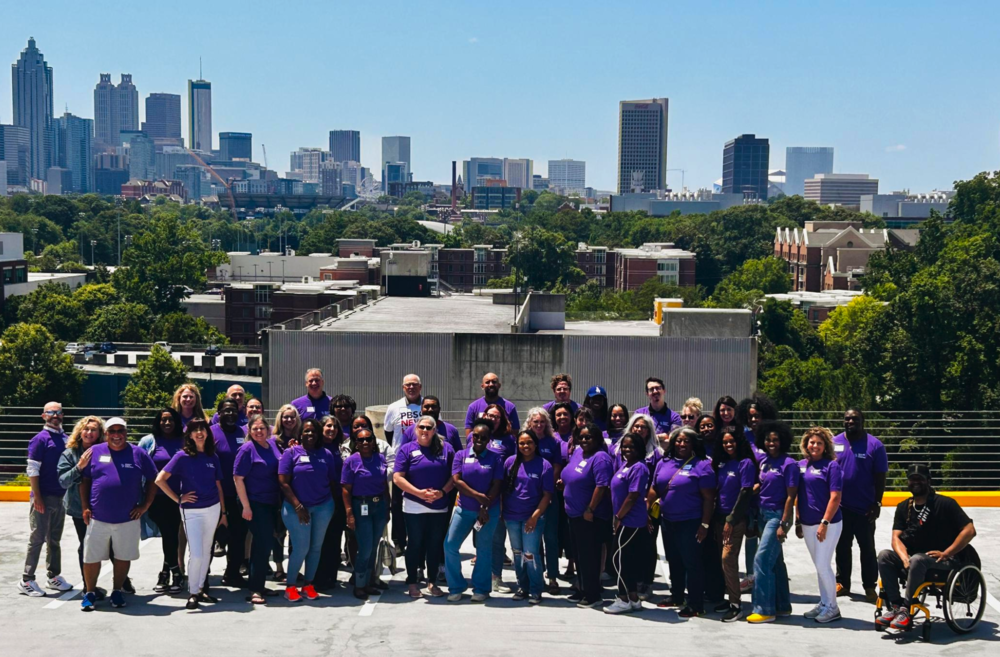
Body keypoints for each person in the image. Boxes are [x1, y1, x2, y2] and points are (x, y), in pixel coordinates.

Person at [875, 464, 977, 632]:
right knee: (884, 556)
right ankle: (896, 606)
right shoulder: (904, 507)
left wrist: (947, 553)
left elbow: (969, 530)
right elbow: (896, 538)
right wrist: (903, 558)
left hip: (943, 561)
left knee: (918, 559)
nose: (915, 482)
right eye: (912, 479)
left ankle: (907, 609)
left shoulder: (945, 504)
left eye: (920, 479)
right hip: (914, 561)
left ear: (928, 481)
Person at [79, 417, 158, 611]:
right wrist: (85, 506)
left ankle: (117, 591)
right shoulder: (95, 452)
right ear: (106, 434)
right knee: (91, 557)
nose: (116, 435)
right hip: (98, 517)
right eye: (112, 431)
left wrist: (145, 505)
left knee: (123, 556)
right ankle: (89, 592)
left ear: (126, 433)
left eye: (120, 431)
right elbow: (85, 480)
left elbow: (153, 479)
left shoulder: (138, 453)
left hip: (128, 518)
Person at [155, 418, 226, 610]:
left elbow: (219, 486)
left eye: (203, 429)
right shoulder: (182, 456)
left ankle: (200, 588)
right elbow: (160, 479)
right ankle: (193, 592)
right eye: (195, 430)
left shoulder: (213, 457)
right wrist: (178, 498)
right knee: (196, 553)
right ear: (190, 435)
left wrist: (224, 512)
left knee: (206, 551)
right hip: (192, 511)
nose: (200, 433)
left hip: (213, 508)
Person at [648, 426, 716, 618]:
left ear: (694, 443)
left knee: (692, 563)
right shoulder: (664, 462)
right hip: (668, 520)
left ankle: (696, 604)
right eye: (678, 440)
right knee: (674, 560)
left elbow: (709, 498)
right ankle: (677, 596)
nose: (682, 443)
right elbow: (655, 487)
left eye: (686, 441)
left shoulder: (702, 465)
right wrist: (647, 507)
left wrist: (704, 525)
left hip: (691, 522)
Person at [277, 418, 341, 602]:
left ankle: (308, 584)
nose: (310, 434)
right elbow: (283, 483)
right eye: (306, 431)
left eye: (314, 431)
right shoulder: (290, 453)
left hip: (323, 506)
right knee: (301, 547)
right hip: (296, 508)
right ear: (300, 433)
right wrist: (298, 506)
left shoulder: (326, 454)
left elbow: (331, 480)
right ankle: (290, 586)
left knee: (315, 548)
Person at [393, 416, 456, 598]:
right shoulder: (407, 449)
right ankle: (413, 583)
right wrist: (419, 493)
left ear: (435, 430)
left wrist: (442, 492)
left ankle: (432, 582)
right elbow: (398, 477)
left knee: (435, 545)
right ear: (416, 429)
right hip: (414, 506)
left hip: (439, 506)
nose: (425, 430)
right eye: (421, 427)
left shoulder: (447, 449)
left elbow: (455, 476)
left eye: (429, 427)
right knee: (414, 544)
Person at [444, 418, 504, 602]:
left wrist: (484, 506)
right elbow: (457, 480)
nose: (478, 439)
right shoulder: (461, 455)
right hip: (464, 509)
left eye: (483, 437)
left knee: (484, 549)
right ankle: (456, 586)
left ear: (488, 439)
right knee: (450, 545)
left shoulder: (496, 458)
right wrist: (478, 496)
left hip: (488, 512)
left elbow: (497, 483)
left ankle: (481, 588)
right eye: (475, 436)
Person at [18, 401, 73, 597]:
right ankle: (27, 579)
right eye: (51, 412)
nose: (55, 415)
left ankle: (54, 576)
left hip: (60, 497)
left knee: (54, 540)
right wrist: (37, 497)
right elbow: (32, 469)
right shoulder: (39, 439)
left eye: (58, 412)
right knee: (37, 539)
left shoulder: (67, 438)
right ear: (44, 416)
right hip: (43, 497)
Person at [747, 420, 799, 624]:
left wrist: (784, 524)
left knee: (761, 560)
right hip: (762, 514)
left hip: (777, 516)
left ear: (783, 441)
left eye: (776, 439)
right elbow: (761, 484)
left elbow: (790, 497)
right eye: (768, 439)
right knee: (775, 562)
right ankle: (782, 606)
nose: (771, 443)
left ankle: (765, 609)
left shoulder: (790, 464)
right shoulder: (764, 461)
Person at [833, 408, 888, 602]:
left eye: (854, 418)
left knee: (867, 548)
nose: (850, 421)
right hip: (840, 507)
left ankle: (869, 586)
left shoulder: (875, 445)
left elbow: (880, 476)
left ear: (862, 421)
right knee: (842, 547)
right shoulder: (835, 442)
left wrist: (877, 503)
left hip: (865, 509)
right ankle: (843, 583)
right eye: (847, 418)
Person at [794, 427, 844, 624]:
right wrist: (798, 520)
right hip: (807, 523)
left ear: (825, 447)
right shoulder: (801, 465)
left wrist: (824, 522)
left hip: (828, 524)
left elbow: (835, 497)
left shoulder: (832, 466)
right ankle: (824, 603)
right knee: (819, 566)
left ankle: (833, 607)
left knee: (823, 565)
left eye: (819, 443)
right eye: (811, 442)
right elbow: (798, 495)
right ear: (806, 444)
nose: (814, 446)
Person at [561, 422, 613, 608]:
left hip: (589, 517)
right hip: (573, 514)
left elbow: (602, 486)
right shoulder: (578, 452)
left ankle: (593, 595)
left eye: (588, 437)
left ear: (597, 439)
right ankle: (582, 587)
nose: (584, 440)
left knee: (590, 556)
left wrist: (590, 509)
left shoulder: (601, 458)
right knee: (579, 555)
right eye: (581, 437)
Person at [234, 414, 283, 605]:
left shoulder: (271, 445)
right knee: (262, 544)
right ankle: (255, 589)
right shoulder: (247, 449)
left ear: (268, 429)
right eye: (254, 429)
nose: (259, 432)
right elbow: (238, 478)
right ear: (249, 431)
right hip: (254, 503)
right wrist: (246, 506)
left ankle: (259, 583)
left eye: (262, 428)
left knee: (264, 544)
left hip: (271, 502)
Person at [57, 417, 107, 598]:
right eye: (86, 429)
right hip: (80, 508)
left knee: (111, 544)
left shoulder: (106, 451)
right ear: (79, 432)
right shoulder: (70, 454)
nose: (89, 433)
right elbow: (63, 481)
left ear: (100, 434)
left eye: (93, 430)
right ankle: (88, 586)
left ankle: (122, 580)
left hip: (104, 506)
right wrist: (79, 467)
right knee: (86, 545)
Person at [503, 430, 554, 604]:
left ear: (535, 444)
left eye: (529, 442)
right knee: (517, 553)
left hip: (533, 517)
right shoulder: (510, 462)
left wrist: (534, 517)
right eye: (522, 443)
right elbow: (503, 489)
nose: (526, 446)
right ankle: (522, 587)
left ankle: (535, 589)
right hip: (511, 517)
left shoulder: (544, 465)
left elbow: (547, 495)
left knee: (530, 553)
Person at [138, 408, 186, 594]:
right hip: (156, 497)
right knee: (169, 533)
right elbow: (138, 466)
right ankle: (173, 571)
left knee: (170, 534)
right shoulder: (149, 441)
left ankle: (168, 572)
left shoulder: (184, 441)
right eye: (163, 420)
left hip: (180, 497)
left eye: (171, 420)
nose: (167, 423)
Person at [711, 428, 756, 622]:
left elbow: (746, 492)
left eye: (732, 441)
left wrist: (731, 519)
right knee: (723, 562)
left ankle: (737, 606)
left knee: (728, 558)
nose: (728, 445)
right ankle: (729, 599)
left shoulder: (745, 463)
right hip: (719, 518)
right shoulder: (722, 463)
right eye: (725, 442)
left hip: (735, 520)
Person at [605, 431, 651, 615]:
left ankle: (622, 599)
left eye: (631, 446)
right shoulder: (626, 465)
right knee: (626, 560)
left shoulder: (639, 468)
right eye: (624, 446)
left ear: (640, 448)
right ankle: (633, 598)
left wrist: (618, 516)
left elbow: (633, 496)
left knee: (617, 560)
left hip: (630, 521)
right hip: (625, 519)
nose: (627, 449)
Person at [341, 427, 389, 600]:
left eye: (368, 439)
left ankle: (368, 582)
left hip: (379, 506)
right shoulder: (351, 462)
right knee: (365, 547)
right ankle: (359, 585)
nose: (365, 443)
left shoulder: (380, 459)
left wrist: (387, 508)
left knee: (374, 546)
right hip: (361, 506)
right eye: (361, 440)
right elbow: (346, 490)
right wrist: (349, 514)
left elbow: (384, 486)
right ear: (356, 443)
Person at [525, 407, 566, 595]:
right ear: (530, 423)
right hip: (530, 497)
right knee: (534, 539)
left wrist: (548, 484)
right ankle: (537, 574)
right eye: (535, 422)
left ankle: (552, 577)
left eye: (542, 422)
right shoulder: (525, 441)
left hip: (549, 496)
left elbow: (557, 465)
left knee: (550, 537)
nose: (539, 425)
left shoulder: (553, 442)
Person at [211, 398, 250, 588]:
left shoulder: (245, 433)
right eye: (226, 410)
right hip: (213, 495)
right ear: (218, 413)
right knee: (210, 538)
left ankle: (232, 573)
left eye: (233, 410)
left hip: (238, 495)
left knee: (238, 536)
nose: (230, 414)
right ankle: (203, 576)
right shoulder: (211, 434)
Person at [314, 416, 349, 591]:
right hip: (322, 500)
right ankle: (318, 578)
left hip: (339, 500)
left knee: (334, 540)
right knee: (321, 540)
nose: (331, 429)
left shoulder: (340, 448)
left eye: (335, 427)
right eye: (328, 426)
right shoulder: (316, 447)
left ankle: (331, 577)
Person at [269, 404, 301, 584]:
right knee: (278, 532)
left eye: (292, 417)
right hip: (277, 492)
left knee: (295, 533)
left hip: (296, 492)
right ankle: (279, 568)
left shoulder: (302, 439)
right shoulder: (273, 440)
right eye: (285, 417)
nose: (289, 420)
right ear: (280, 419)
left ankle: (293, 569)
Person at [397, 395, 463, 451]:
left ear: (439, 409)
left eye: (434, 407)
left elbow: (459, 456)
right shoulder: (410, 431)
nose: (430, 409)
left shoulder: (451, 430)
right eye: (427, 407)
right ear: (421, 409)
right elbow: (402, 455)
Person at [636, 378, 682, 443]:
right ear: (647, 393)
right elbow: (636, 437)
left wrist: (647, 437)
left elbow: (673, 440)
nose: (655, 391)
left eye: (658, 388)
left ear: (664, 391)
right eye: (651, 389)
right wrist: (664, 436)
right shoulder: (639, 414)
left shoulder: (675, 417)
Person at [385, 373, 423, 447]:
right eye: (408, 384)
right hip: (400, 454)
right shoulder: (393, 407)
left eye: (414, 384)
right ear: (403, 387)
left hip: (423, 455)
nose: (411, 387)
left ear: (420, 387)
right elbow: (388, 432)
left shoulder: (429, 406)